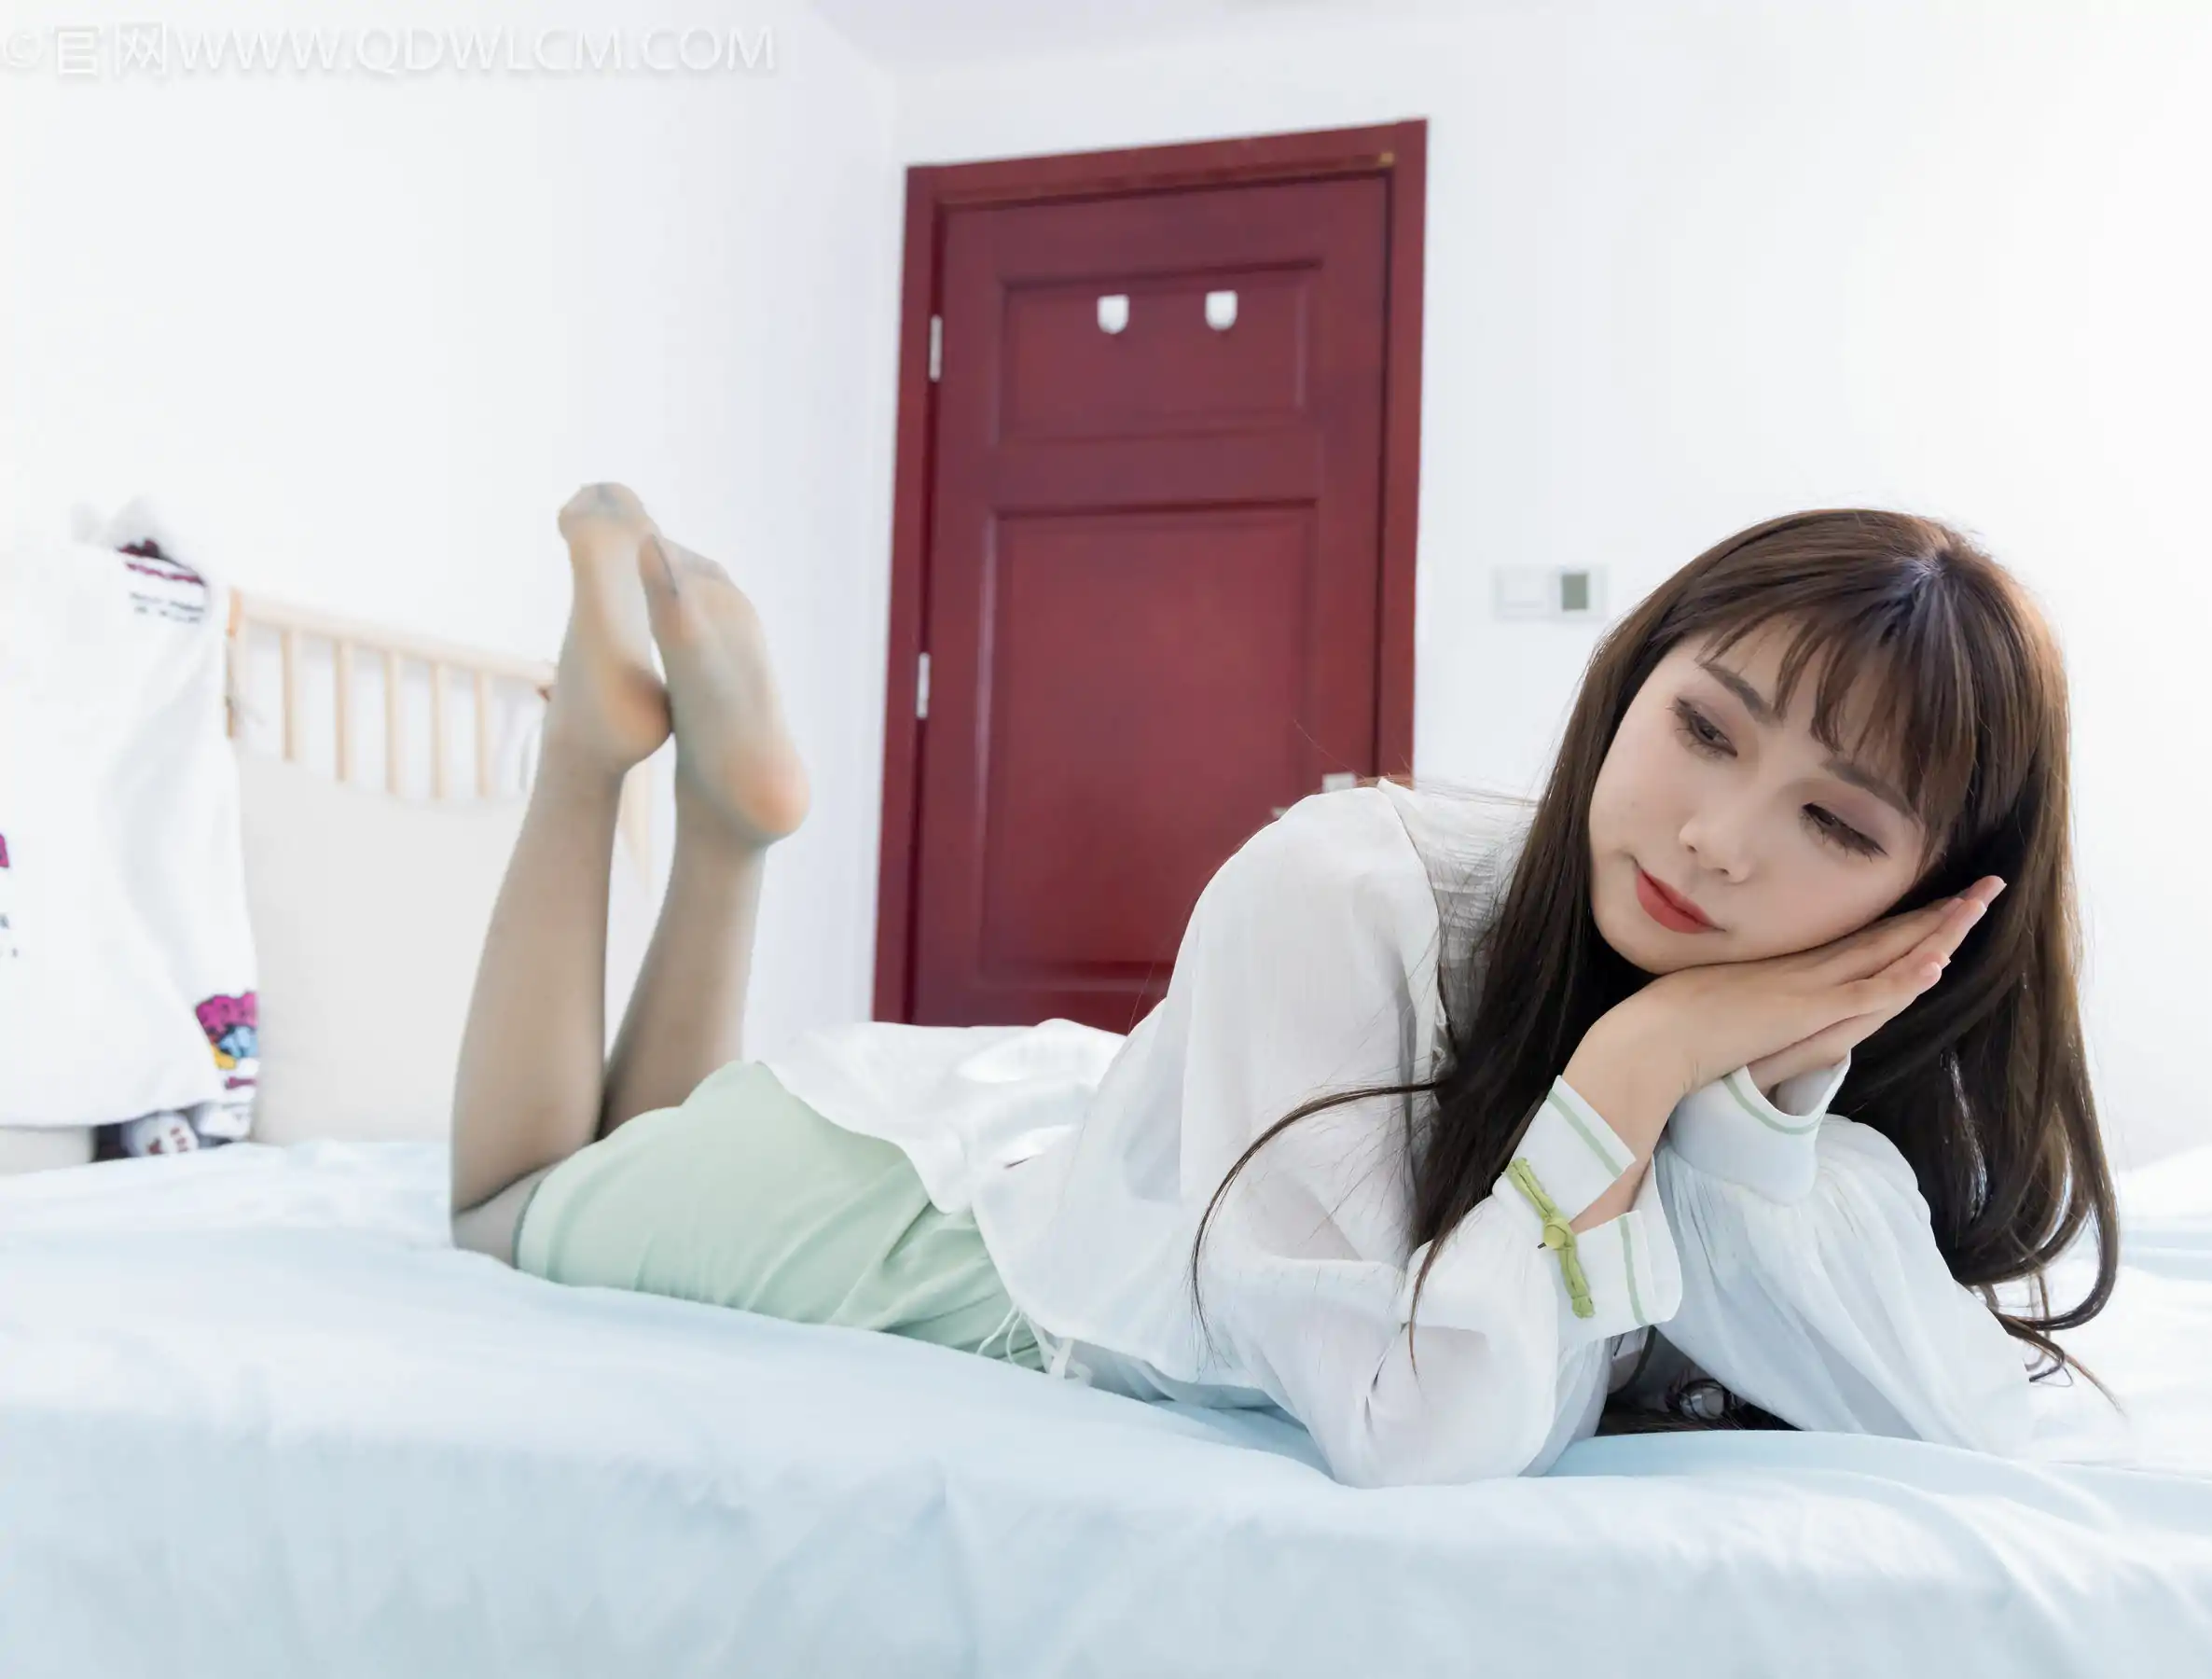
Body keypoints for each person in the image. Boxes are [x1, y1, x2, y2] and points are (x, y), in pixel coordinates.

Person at [450, 489, 2117, 1489]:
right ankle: (593, 756)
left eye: (1835, 824)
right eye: (1703, 728)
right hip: (920, 1241)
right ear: (1634, 676)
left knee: (617, 1143)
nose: (1719, 839)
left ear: (1930, 903)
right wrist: (1639, 1061)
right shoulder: (1348, 887)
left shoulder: (1760, 1028)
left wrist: (1737, 1093)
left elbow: (1945, 1421)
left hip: (1120, 1135)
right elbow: (1416, 1426)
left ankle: (726, 827)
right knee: (505, 1211)